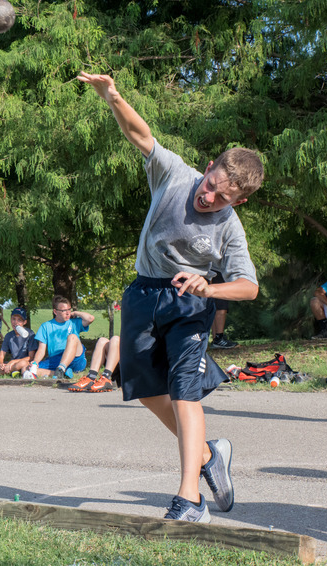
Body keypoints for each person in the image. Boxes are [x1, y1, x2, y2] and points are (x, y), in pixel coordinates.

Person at [79, 70, 264, 522]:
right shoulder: (175, 175)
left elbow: (249, 287)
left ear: (237, 201)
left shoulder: (229, 228)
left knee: (185, 393)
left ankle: (190, 499)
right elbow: (141, 134)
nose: (210, 196)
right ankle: (206, 454)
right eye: (211, 184)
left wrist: (210, 286)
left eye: (222, 197)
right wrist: (113, 97)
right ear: (208, 169)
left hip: (190, 303)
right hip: (143, 293)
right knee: (142, 388)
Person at [29, 296, 94, 379]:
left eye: (69, 309)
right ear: (55, 312)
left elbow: (90, 318)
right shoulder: (46, 326)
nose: (67, 313)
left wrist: (75, 313)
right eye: (64, 311)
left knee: (72, 337)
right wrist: (35, 362)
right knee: (28, 369)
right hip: (56, 360)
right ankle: (63, 373)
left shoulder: (74, 323)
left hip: (76, 359)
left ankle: (61, 369)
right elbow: (41, 350)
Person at [0, 308, 36, 376]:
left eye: (19, 320)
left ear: (24, 322)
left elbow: (31, 357)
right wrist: (0, 364)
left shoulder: (30, 334)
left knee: (23, 363)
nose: (15, 322)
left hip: (22, 364)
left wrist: (12, 362)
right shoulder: (9, 336)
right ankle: (9, 371)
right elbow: (1, 355)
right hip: (10, 365)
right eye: (13, 319)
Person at [208, 273, 238, 349]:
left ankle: (216, 339)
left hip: (212, 270)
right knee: (221, 303)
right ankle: (219, 338)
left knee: (215, 304)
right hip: (216, 270)